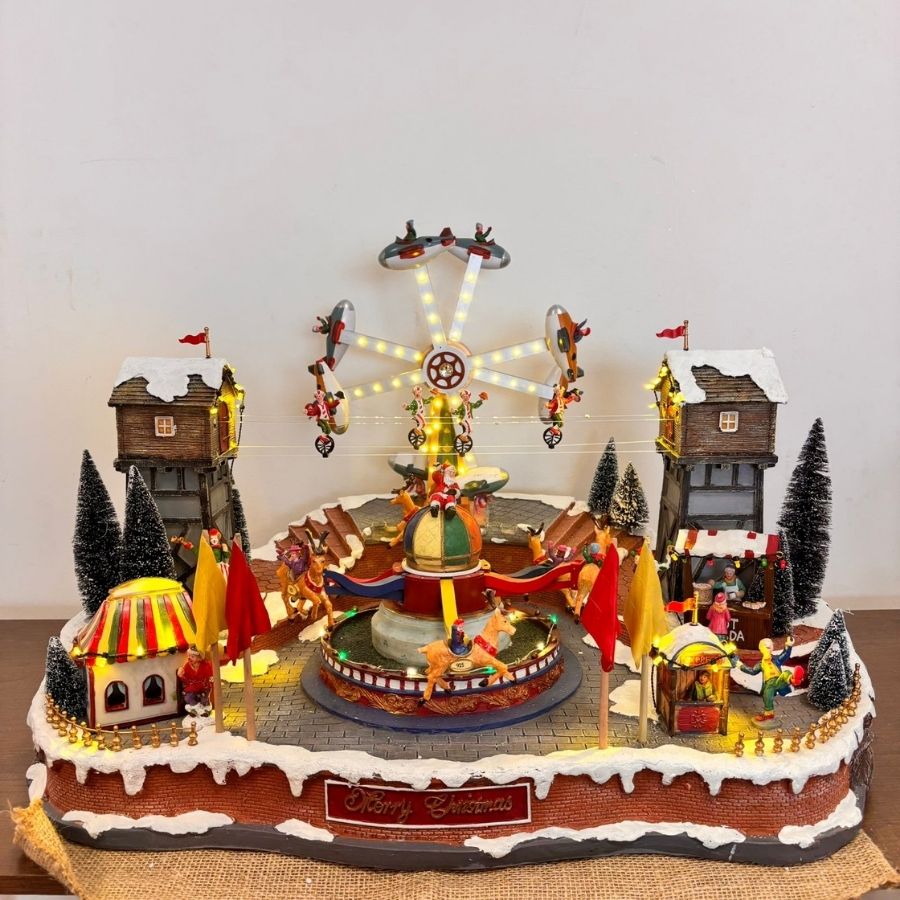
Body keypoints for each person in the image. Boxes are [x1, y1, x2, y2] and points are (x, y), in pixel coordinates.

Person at [737, 636, 797, 723]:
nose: (768, 649)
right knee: (767, 696)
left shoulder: (776, 659)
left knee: (786, 673)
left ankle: (792, 679)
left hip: (778, 680)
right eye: (766, 647)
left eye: (770, 647)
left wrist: (788, 645)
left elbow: (784, 655)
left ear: (772, 648)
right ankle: (768, 714)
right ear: (761, 649)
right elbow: (752, 671)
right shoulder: (761, 664)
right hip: (769, 684)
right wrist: (739, 665)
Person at [178, 646, 214, 717]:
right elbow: (185, 680)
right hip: (193, 687)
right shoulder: (187, 665)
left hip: (204, 686)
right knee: (188, 697)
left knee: (204, 700)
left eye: (192, 656)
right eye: (189, 656)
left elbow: (210, 676)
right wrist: (181, 675)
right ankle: (196, 709)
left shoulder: (205, 665)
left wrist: (211, 678)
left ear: (199, 658)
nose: (189, 658)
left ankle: (206, 710)